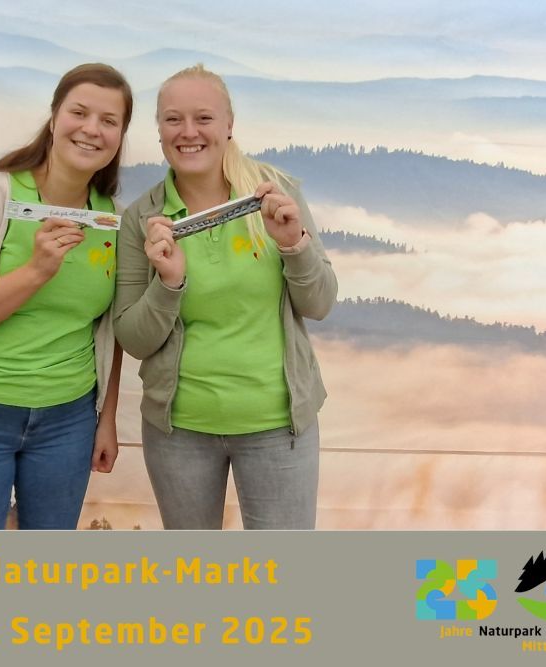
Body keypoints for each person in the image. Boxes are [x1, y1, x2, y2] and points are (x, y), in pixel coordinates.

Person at [113, 65, 337, 530]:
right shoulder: (143, 219)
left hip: (279, 427)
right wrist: (169, 284)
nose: (188, 132)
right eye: (173, 120)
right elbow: (134, 337)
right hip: (179, 432)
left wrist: (295, 245)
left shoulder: (276, 193)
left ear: (229, 125)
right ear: (158, 131)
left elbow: (319, 303)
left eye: (204, 118)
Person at [0, 63, 133, 529]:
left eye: (109, 121)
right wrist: (36, 271)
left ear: (121, 135)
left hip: (68, 422)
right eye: (79, 113)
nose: (91, 130)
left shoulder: (114, 219)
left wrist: (107, 417)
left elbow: (112, 328)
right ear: (55, 117)